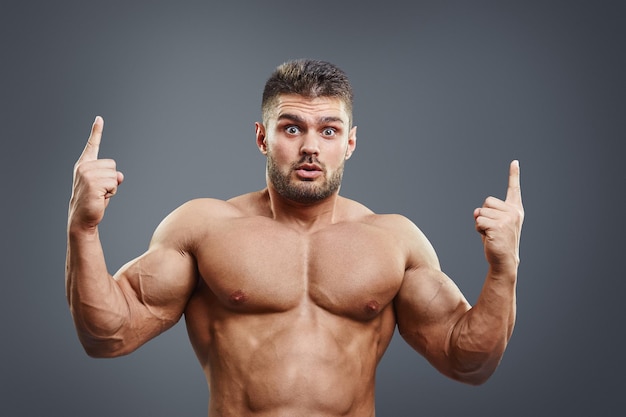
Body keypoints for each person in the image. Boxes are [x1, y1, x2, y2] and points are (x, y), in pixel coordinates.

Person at [66, 59, 524, 417]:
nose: (310, 146)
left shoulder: (393, 240)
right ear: (263, 137)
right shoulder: (204, 228)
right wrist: (83, 228)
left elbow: (469, 363)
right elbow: (107, 335)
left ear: (350, 143)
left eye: (329, 130)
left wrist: (504, 269)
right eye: (292, 128)